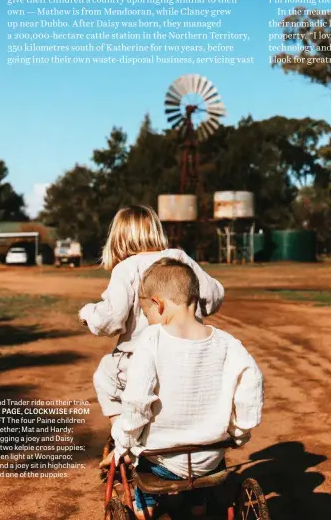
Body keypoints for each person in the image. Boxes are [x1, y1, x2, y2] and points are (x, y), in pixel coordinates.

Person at [107, 258, 263, 520]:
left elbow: (137, 402)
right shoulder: (228, 342)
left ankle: (145, 507)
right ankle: (197, 506)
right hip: (210, 458)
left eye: (147, 315)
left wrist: (125, 441)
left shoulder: (152, 340)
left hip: (161, 462)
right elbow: (252, 384)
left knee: (140, 459)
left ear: (158, 304)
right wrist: (239, 432)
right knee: (203, 475)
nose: (150, 320)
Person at [79, 205, 225, 423]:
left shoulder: (126, 268)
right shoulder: (179, 258)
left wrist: (88, 313)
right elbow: (213, 297)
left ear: (118, 239)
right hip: (187, 355)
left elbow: (111, 318)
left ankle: (121, 437)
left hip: (137, 362)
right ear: (156, 231)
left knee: (105, 377)